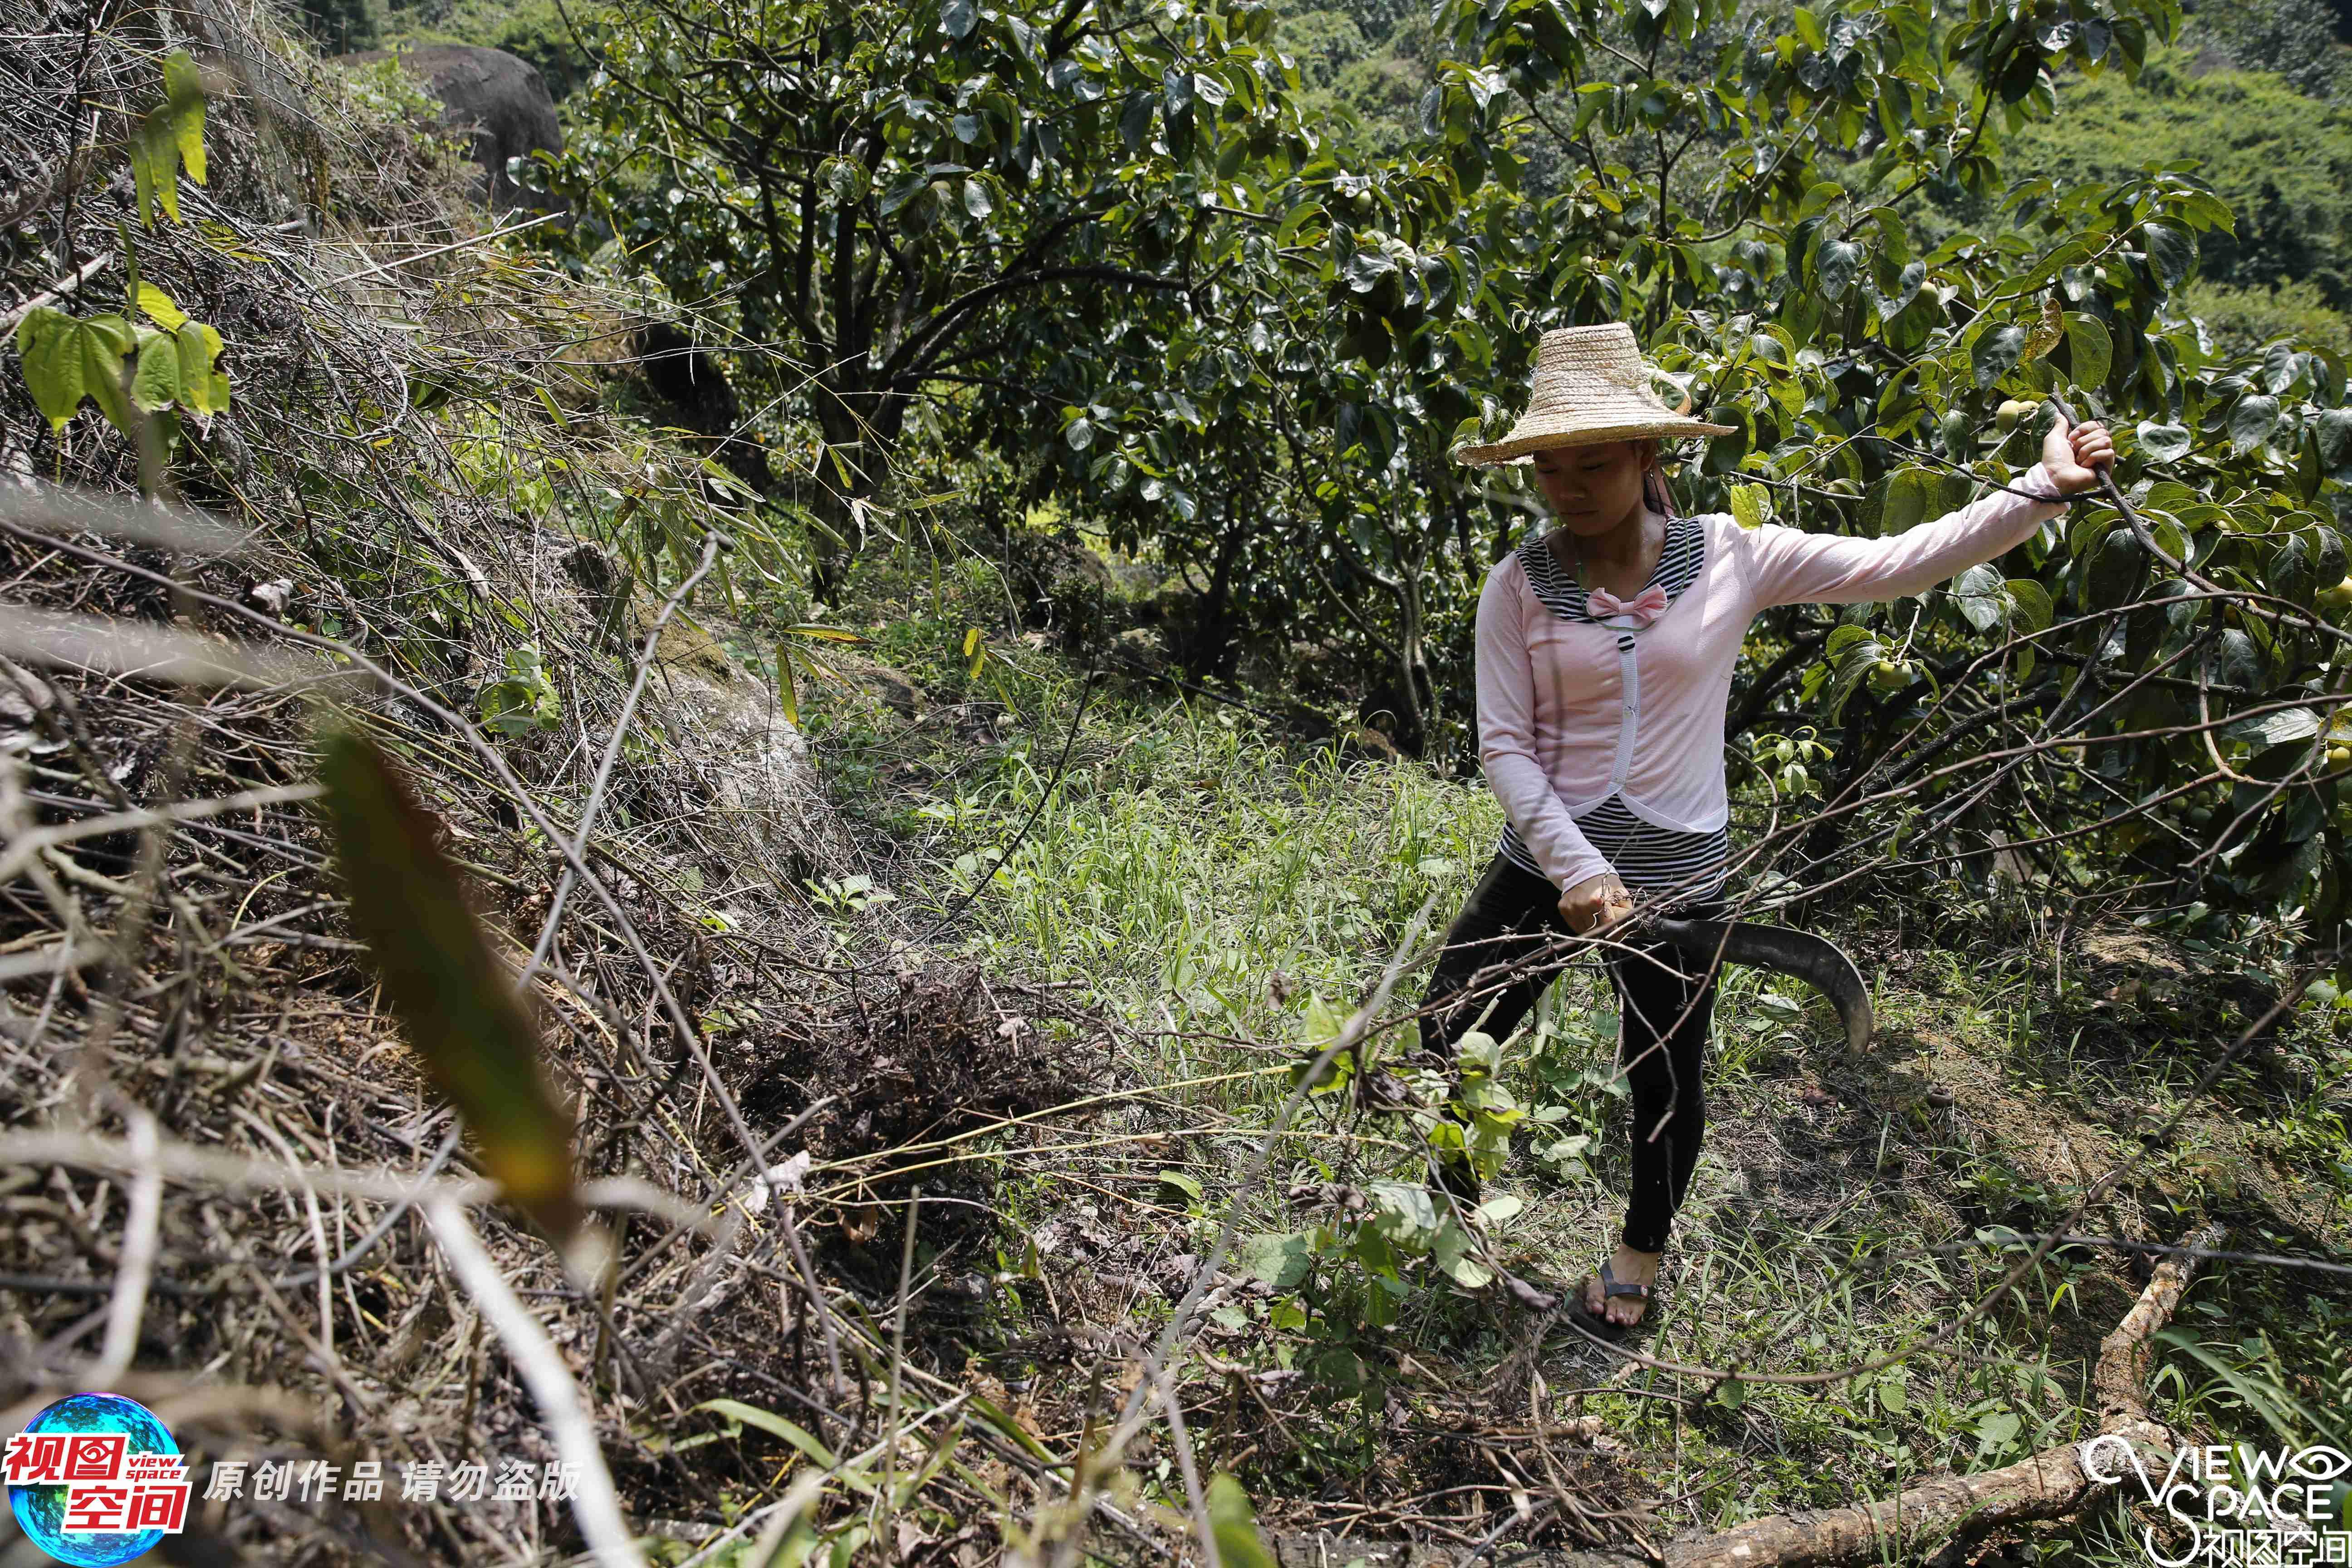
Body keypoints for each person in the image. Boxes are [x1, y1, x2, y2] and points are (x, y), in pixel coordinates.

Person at [1420, 321, 2113, 1329]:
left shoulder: (1733, 557)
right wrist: (1574, 867)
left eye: (1595, 463)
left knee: (1662, 1070)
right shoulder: (1519, 586)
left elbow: (1904, 561)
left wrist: (2042, 490)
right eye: (1550, 468)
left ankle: (1636, 1263)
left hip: (1679, 876)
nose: (1568, 487)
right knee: (1450, 1029)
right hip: (1547, 857)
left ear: (1649, 454)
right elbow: (1506, 747)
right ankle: (1450, 1212)